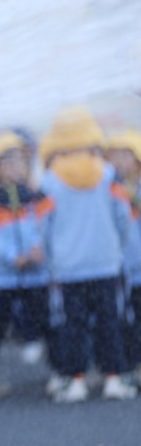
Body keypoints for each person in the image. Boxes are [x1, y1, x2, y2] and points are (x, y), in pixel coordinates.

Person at [38, 106, 136, 402]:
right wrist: (115, 247)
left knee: (72, 325)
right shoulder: (108, 174)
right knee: (110, 322)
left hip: (68, 267)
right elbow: (123, 217)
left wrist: (52, 257)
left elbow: (43, 227)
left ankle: (76, 380)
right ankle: (115, 378)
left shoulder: (50, 180)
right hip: (106, 263)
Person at [0, 131, 49, 401]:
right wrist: (12, 255)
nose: (16, 168)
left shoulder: (34, 196)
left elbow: (44, 226)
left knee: (48, 322)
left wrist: (39, 248)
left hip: (35, 275)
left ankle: (63, 371)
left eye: (20, 161)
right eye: (8, 162)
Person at [105, 130, 141, 382]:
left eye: (125, 154)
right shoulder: (107, 189)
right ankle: (130, 365)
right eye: (114, 155)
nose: (119, 160)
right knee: (124, 321)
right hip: (121, 268)